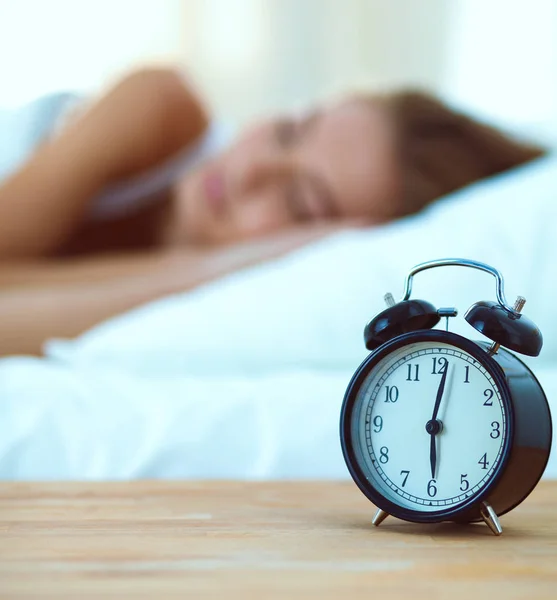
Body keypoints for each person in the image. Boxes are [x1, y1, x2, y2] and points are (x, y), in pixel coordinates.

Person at [0, 68, 545, 356]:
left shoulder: (218, 305)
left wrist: (226, 269)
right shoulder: (161, 107)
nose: (254, 169)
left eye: (299, 201)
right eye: (287, 130)